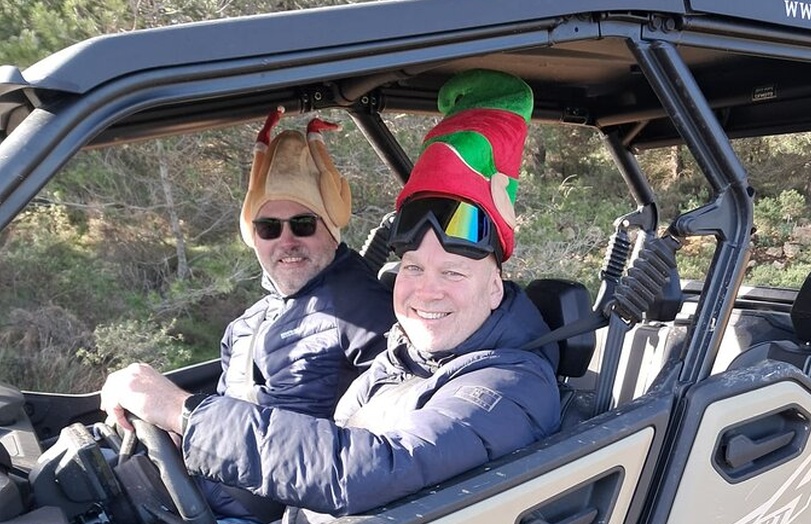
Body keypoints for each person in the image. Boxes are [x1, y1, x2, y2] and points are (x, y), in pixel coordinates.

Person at [100, 69, 561, 523]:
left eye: (454, 271)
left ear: (496, 286)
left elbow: (368, 469)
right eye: (413, 267)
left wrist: (184, 413)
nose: (426, 289)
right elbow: (329, 437)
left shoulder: (510, 384)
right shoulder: (408, 355)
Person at [196, 111, 396, 521]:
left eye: (303, 224)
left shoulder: (359, 310)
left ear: (330, 229)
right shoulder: (247, 324)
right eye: (268, 227)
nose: (286, 240)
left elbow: (389, 441)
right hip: (203, 487)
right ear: (254, 237)